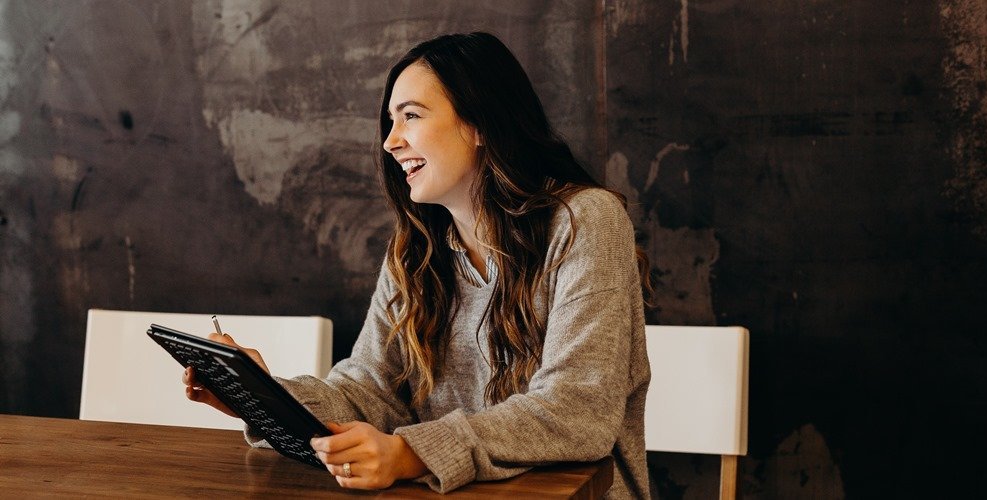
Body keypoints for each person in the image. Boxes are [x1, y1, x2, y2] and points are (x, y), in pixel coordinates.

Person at [183, 32, 651, 499]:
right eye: (391, 121)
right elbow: (368, 394)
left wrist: (411, 454)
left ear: (479, 123)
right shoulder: (415, 252)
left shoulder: (585, 221)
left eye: (411, 115)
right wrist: (264, 398)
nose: (390, 141)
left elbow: (577, 411)